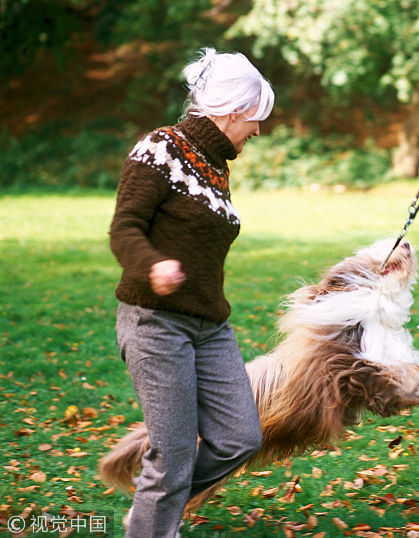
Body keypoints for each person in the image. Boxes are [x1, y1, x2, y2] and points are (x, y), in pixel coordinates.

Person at [109, 48, 275, 537]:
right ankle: (155, 522)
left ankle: (155, 501)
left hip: (210, 326)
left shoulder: (214, 165)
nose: (258, 131)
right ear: (231, 112)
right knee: (175, 450)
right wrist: (152, 264)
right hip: (155, 322)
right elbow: (125, 228)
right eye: (255, 119)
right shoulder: (160, 148)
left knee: (241, 437)